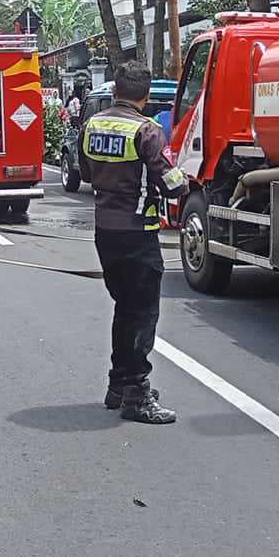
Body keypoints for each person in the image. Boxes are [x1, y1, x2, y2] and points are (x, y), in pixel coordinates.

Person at [78, 60, 189, 424]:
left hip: (104, 233)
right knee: (141, 314)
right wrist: (184, 181)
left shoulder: (92, 124)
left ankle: (118, 386)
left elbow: (85, 171)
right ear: (145, 95)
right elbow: (170, 182)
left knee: (124, 308)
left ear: (114, 91)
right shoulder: (147, 130)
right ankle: (137, 395)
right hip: (138, 234)